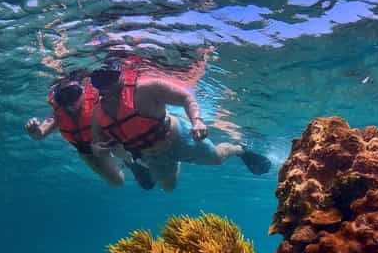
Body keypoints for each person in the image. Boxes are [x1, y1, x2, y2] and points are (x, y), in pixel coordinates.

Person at [90, 60, 271, 192]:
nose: (108, 87)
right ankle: (150, 163)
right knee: (169, 188)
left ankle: (240, 149)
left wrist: (197, 121)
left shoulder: (147, 88)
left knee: (216, 158)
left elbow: (186, 98)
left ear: (121, 74)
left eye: (111, 78)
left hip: (180, 138)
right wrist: (98, 147)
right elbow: (97, 140)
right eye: (100, 82)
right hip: (152, 155)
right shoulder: (98, 112)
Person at [25, 69, 155, 189]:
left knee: (124, 152)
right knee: (117, 182)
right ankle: (122, 164)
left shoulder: (96, 101)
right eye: (62, 98)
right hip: (86, 150)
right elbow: (39, 135)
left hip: (106, 140)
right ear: (57, 99)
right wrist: (34, 130)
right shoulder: (58, 115)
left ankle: (131, 163)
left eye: (73, 94)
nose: (70, 102)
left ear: (82, 91)